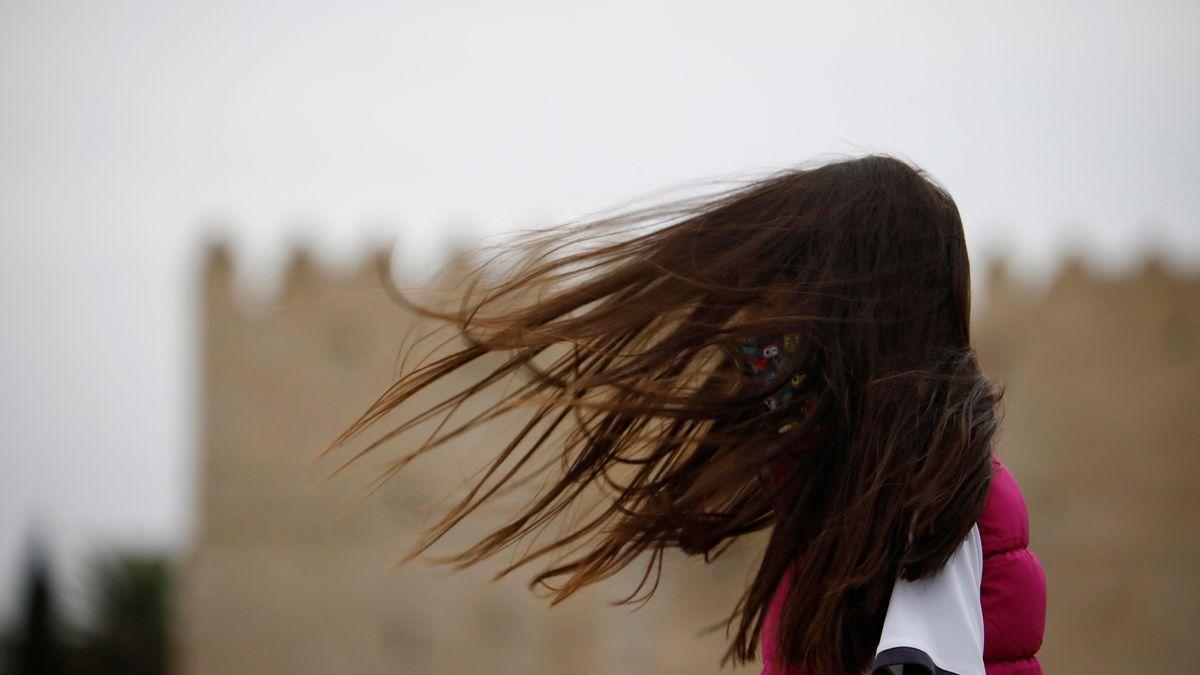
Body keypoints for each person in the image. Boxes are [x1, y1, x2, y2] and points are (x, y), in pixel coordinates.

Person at [320, 153, 1047, 674]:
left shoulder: (931, 502)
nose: (764, 334)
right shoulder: (854, 492)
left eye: (794, 299)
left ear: (865, 318)